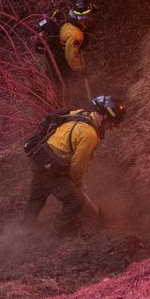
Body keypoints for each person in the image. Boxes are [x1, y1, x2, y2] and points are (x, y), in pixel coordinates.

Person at [24, 94, 127, 234]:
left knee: (36, 200)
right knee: (76, 201)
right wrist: (77, 184)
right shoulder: (89, 134)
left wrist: (75, 181)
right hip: (51, 170)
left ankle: (24, 230)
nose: (111, 128)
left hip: (40, 159)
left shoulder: (79, 113)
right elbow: (77, 167)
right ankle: (52, 234)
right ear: (104, 117)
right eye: (111, 124)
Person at [41, 1, 94, 106]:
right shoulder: (75, 34)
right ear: (81, 18)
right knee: (60, 83)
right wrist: (80, 69)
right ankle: (59, 105)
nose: (90, 18)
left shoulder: (70, 18)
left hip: (60, 50)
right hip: (57, 58)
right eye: (88, 16)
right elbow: (71, 57)